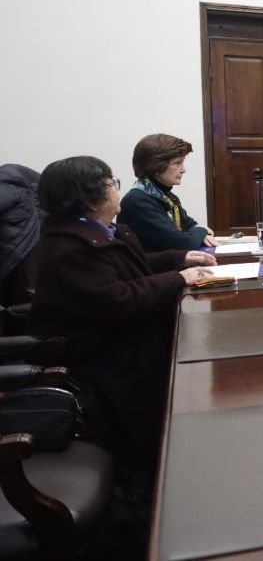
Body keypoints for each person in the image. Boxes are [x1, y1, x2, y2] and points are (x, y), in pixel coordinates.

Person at [29, 156, 216, 472]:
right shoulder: (70, 248)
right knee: (193, 364)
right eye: (111, 183)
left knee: (196, 344)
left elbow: (133, 266)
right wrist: (178, 278)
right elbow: (119, 299)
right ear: (90, 199)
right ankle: (155, 473)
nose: (117, 189)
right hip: (106, 355)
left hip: (127, 338)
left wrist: (181, 257)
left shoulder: (97, 231)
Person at [117, 134, 219, 251]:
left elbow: (190, 225)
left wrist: (198, 232)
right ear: (155, 166)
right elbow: (182, 243)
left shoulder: (167, 197)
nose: (183, 170)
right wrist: (202, 231)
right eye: (177, 163)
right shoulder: (138, 201)